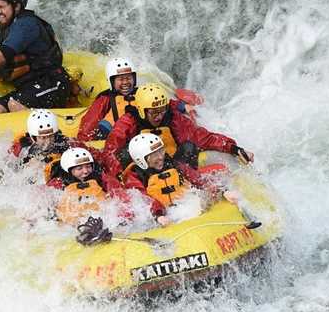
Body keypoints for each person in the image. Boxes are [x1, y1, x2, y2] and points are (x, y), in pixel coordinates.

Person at [102, 82, 254, 181]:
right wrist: (118, 175)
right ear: (142, 110)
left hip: (175, 165)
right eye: (154, 112)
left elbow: (203, 138)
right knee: (124, 155)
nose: (159, 116)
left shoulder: (173, 118)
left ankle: (188, 182)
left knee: (189, 146)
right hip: (146, 172)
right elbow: (110, 151)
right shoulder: (128, 122)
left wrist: (234, 148)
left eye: (162, 110)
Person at [123, 133, 234, 226]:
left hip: (181, 207)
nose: (160, 157)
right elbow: (143, 200)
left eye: (161, 151)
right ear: (141, 159)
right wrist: (158, 215)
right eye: (154, 155)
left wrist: (223, 191)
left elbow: (197, 179)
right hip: (158, 215)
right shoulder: (134, 177)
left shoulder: (172, 164)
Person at [77, 57, 138, 141]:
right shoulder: (105, 98)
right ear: (112, 81)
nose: (125, 82)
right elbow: (89, 124)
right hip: (116, 140)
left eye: (129, 78)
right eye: (121, 79)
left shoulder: (141, 94)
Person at [47, 148, 110, 225]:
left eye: (88, 166)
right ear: (69, 170)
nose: (85, 171)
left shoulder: (100, 177)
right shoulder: (58, 184)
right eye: (79, 168)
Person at [10, 109, 73, 182]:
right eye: (43, 137)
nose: (48, 142)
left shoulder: (63, 144)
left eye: (51, 136)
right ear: (33, 137)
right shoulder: (23, 146)